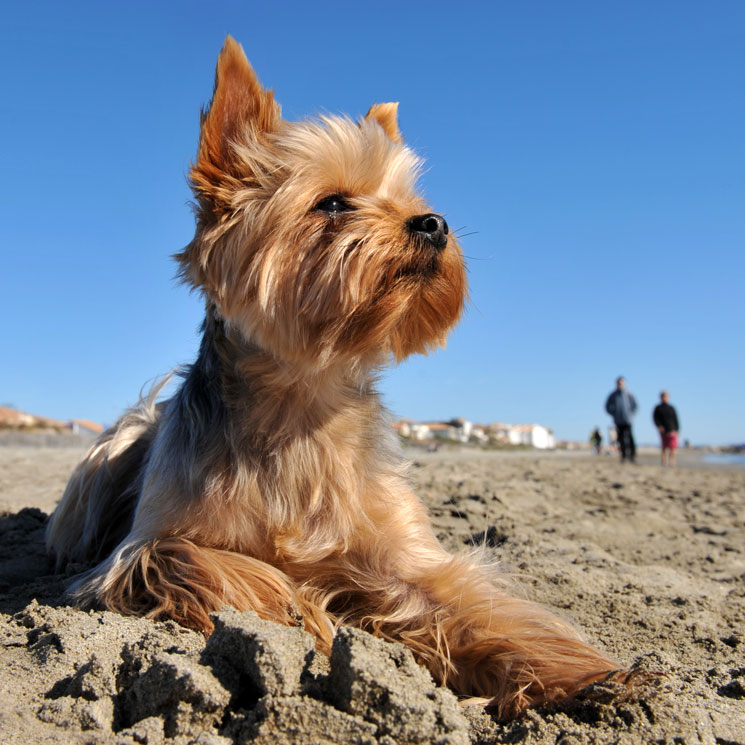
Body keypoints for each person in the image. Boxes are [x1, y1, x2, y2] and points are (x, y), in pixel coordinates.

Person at [605, 376, 637, 463]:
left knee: (630, 438)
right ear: (616, 384)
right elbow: (607, 407)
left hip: (628, 420)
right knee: (621, 439)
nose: (620, 384)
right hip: (618, 421)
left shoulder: (629, 394)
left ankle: (632, 457)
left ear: (624, 383)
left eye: (621, 382)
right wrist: (613, 414)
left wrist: (631, 415)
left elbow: (635, 406)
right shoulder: (613, 395)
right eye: (619, 383)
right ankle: (623, 456)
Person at [653, 390, 680, 467]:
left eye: (666, 397)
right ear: (660, 397)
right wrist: (659, 426)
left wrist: (677, 429)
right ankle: (664, 462)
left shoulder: (671, 408)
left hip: (672, 429)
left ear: (668, 398)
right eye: (663, 396)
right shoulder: (658, 408)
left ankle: (672, 463)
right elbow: (655, 419)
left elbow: (676, 419)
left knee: (673, 448)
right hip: (663, 431)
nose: (664, 398)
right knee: (664, 448)